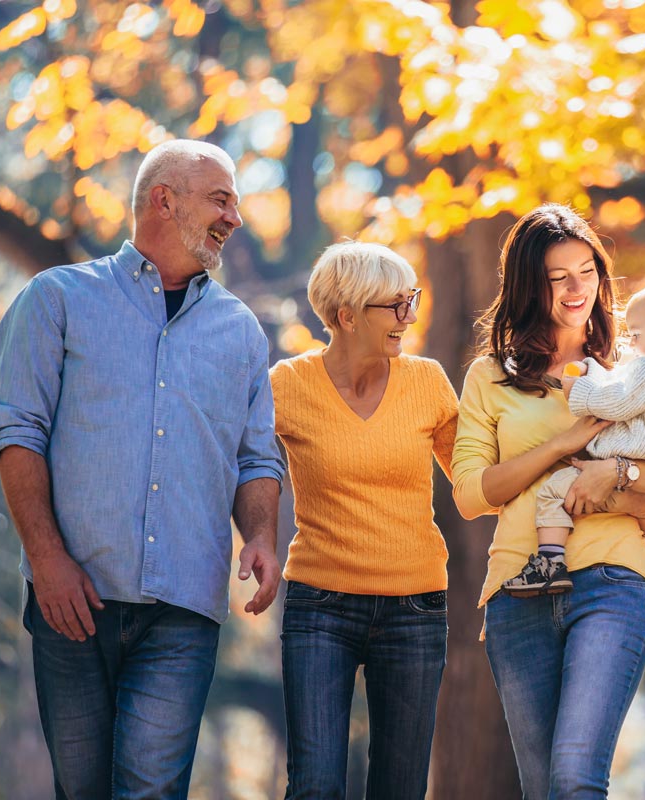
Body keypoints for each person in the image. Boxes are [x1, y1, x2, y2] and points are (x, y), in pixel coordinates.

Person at [0, 139, 286, 798]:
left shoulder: (239, 331)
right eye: (221, 200)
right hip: (72, 600)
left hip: (183, 608)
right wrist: (46, 558)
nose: (235, 218)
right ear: (164, 199)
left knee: (150, 790)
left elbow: (255, 455)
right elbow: (16, 430)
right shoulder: (56, 298)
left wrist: (260, 536)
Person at [452, 204, 645, 798]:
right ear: (529, 285)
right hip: (517, 592)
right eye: (558, 278)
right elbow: (472, 493)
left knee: (576, 779)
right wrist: (568, 442)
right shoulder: (489, 377)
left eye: (587, 271)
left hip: (610, 583)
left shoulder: (639, 363)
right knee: (543, 787)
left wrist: (620, 472)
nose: (579, 289)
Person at [269, 242, 458, 800]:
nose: (410, 316)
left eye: (412, 300)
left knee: (400, 789)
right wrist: (253, 539)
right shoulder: (288, 385)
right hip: (319, 606)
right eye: (395, 305)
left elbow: (477, 485)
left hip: (416, 608)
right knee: (316, 786)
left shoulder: (427, 382)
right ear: (346, 315)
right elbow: (242, 465)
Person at [501, 272, 645, 596]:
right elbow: (622, 382)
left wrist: (578, 389)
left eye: (637, 334)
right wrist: (593, 369)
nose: (631, 342)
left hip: (631, 453)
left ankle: (549, 563)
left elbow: (616, 402)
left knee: (552, 492)